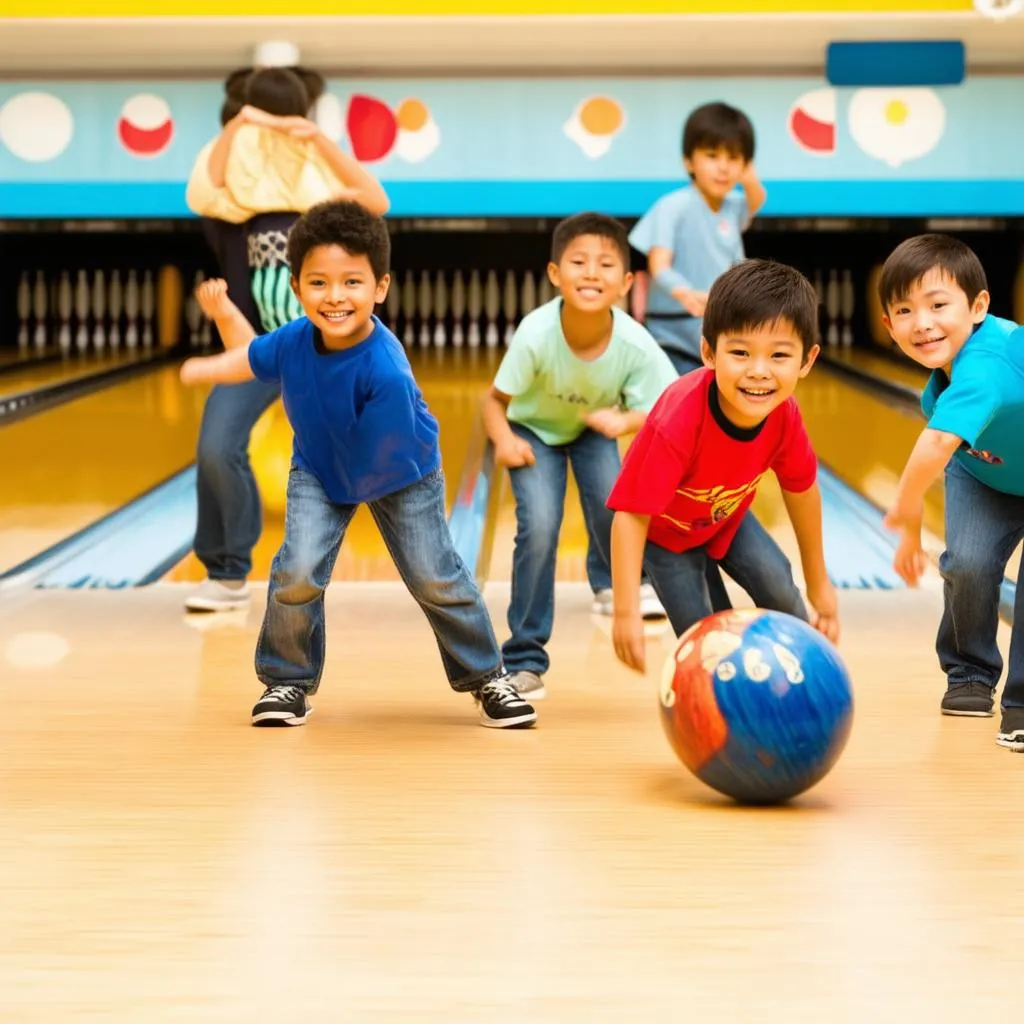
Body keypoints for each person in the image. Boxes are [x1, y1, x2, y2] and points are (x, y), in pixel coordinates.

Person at [179, 199, 537, 730]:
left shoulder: (384, 369)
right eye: (319, 283)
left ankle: (488, 676)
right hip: (321, 467)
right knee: (297, 570)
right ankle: (287, 680)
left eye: (352, 282)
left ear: (380, 288)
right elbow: (252, 357)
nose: (335, 296)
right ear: (296, 288)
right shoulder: (294, 340)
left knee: (435, 577)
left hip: (402, 475)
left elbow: (374, 455)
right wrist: (208, 365)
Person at [183, 67, 389, 613]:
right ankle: (227, 572)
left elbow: (375, 198)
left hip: (325, 352)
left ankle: (417, 567)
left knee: (370, 462)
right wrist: (238, 124)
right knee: (216, 448)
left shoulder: (320, 208)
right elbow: (209, 185)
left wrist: (315, 135)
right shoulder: (232, 211)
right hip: (258, 350)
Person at [607, 258, 840, 674]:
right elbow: (630, 517)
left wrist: (818, 581)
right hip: (665, 540)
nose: (758, 371)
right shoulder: (677, 418)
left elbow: (802, 491)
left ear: (807, 360)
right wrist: (626, 612)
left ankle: (807, 680)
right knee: (708, 645)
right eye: (740, 352)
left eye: (779, 355)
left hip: (726, 519)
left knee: (782, 591)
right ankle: (729, 713)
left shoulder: (784, 415)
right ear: (708, 352)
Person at [482, 212, 676, 700]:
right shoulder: (535, 333)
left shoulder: (634, 342)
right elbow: (493, 402)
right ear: (554, 274)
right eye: (578, 262)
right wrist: (504, 440)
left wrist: (625, 421)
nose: (592, 272)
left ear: (627, 283)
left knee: (616, 507)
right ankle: (523, 658)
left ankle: (610, 583)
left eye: (606, 264)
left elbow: (668, 406)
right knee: (541, 526)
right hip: (533, 431)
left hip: (592, 430)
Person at [879, 233, 1024, 752]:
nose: (922, 323)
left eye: (938, 305)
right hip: (987, 473)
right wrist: (910, 530)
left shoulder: (987, 363)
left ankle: (1023, 702)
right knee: (965, 563)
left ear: (978, 306)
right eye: (904, 310)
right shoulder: (939, 385)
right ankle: (969, 673)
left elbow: (938, 441)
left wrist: (903, 507)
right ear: (887, 325)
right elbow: (943, 449)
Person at [628, 101, 766, 377]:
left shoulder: (733, 206)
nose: (723, 168)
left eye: (733, 158)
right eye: (713, 156)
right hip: (670, 332)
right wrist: (685, 292)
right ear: (689, 161)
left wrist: (750, 179)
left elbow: (757, 201)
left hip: (719, 328)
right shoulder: (673, 206)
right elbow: (659, 265)